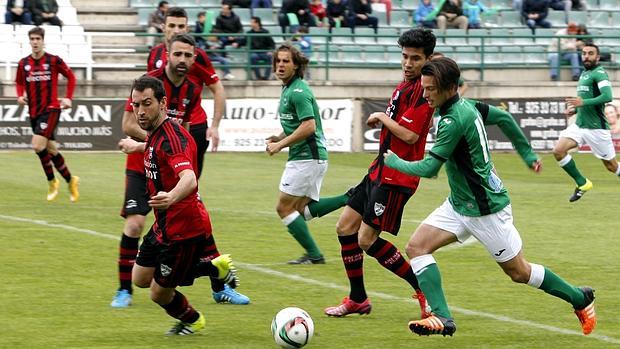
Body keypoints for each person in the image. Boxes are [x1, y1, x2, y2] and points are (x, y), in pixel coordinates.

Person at [384, 57, 597, 337]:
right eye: (423, 88)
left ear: (449, 88)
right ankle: (442, 318)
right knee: (417, 248)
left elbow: (430, 168)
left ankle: (580, 298)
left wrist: (394, 161)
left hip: (485, 209)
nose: (425, 94)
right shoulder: (466, 106)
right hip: (460, 203)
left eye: (430, 89)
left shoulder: (453, 120)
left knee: (519, 272)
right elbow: (503, 120)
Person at [111, 11, 248, 307]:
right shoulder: (151, 82)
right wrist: (148, 145)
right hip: (142, 165)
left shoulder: (192, 87)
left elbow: (182, 131)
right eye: (171, 29)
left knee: (193, 223)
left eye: (182, 31)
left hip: (172, 168)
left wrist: (209, 130)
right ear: (166, 42)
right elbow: (129, 123)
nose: (182, 56)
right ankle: (124, 290)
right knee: (136, 225)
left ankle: (218, 282)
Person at [323, 28, 436, 318]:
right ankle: (358, 299)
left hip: (398, 177)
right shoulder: (403, 85)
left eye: (416, 58)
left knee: (366, 239)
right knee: (345, 227)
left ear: (428, 60)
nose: (408, 63)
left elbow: (410, 136)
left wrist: (383, 118)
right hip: (379, 170)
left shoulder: (424, 91)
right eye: (405, 57)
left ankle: (424, 290)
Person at [117, 75, 240, 336]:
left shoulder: (172, 138)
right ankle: (212, 267)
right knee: (139, 278)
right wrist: (136, 146)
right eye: (136, 104)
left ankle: (193, 320)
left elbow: (189, 177)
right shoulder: (157, 132)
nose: (140, 111)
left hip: (183, 230)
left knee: (159, 293)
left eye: (146, 103)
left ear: (162, 103)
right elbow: (155, 148)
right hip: (163, 225)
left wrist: (171, 196)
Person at [266, 43, 350, 264]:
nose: (281, 65)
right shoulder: (289, 88)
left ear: (296, 66)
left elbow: (309, 126)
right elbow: (296, 124)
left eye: (286, 61)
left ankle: (314, 255)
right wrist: (279, 136)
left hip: (307, 157)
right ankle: (349, 198)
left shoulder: (298, 92)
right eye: (278, 61)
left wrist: (281, 144)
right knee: (300, 211)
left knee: (284, 208)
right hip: (309, 157)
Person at [148, 7, 225, 174]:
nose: (176, 30)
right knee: (160, 181)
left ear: (187, 28)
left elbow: (218, 88)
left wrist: (215, 125)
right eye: (172, 25)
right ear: (163, 27)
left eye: (181, 26)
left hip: (193, 127)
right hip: (162, 127)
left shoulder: (196, 55)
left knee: (188, 183)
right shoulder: (154, 54)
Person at [15, 27, 79, 202]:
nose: (35, 42)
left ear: (43, 40)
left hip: (51, 109)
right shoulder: (23, 63)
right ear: (29, 41)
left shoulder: (53, 60)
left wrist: (68, 98)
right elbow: (19, 82)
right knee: (51, 149)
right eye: (32, 39)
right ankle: (70, 180)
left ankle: (52, 182)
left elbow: (71, 77)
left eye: (38, 39)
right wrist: (20, 95)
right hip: (34, 111)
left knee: (37, 145)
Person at [553, 43, 619, 202]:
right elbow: (587, 100)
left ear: (597, 57)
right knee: (558, 151)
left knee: (611, 166)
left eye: (590, 53)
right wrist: (576, 110)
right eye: (584, 53)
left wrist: (582, 103)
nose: (586, 56)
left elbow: (607, 96)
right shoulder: (584, 73)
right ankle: (582, 183)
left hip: (596, 128)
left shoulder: (600, 73)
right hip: (579, 125)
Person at [195, 11, 235, 80]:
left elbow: (218, 36)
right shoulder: (198, 26)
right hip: (204, 46)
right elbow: (197, 37)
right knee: (201, 47)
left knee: (224, 58)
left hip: (214, 53)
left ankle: (227, 73)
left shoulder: (211, 26)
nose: (202, 19)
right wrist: (208, 44)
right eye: (200, 18)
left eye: (203, 17)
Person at [247, 16, 275, 80]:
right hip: (254, 52)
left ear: (257, 23)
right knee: (252, 57)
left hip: (264, 52)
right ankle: (258, 77)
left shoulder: (265, 32)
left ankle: (266, 77)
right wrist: (237, 43)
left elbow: (272, 43)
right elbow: (243, 41)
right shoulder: (249, 33)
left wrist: (270, 51)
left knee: (270, 57)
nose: (250, 24)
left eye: (252, 22)